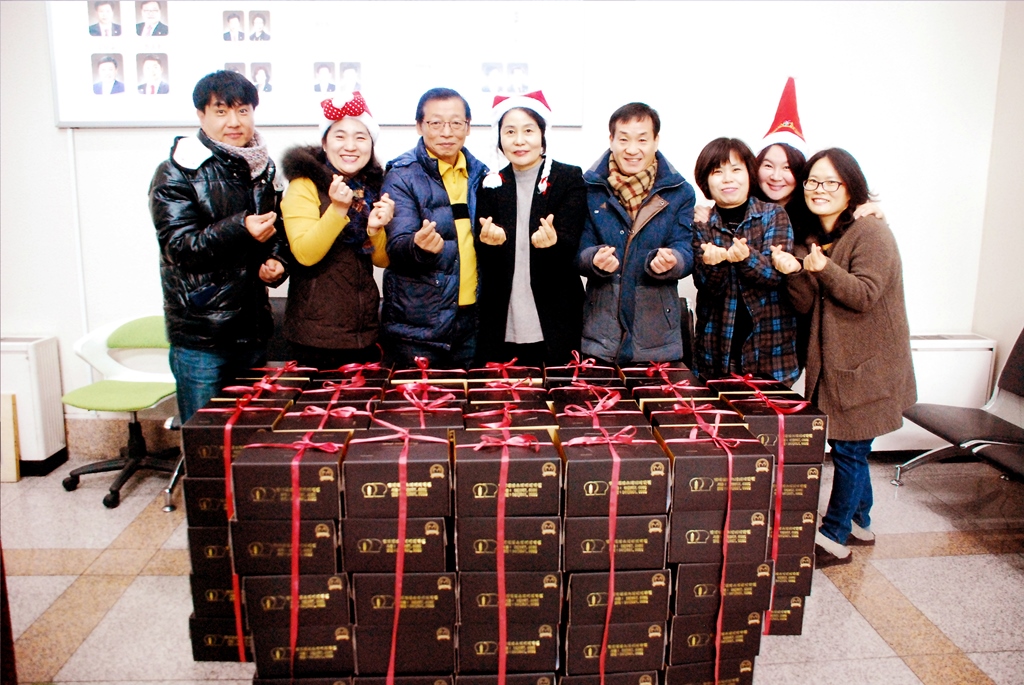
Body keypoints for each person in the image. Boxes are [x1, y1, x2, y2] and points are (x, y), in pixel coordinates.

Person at [770, 148, 915, 566]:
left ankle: (833, 536)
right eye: (813, 181)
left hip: (867, 367)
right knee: (852, 448)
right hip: (835, 366)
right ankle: (859, 522)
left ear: (851, 188)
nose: (820, 189)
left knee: (850, 451)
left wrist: (822, 269)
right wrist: (795, 272)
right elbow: (806, 304)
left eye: (831, 181)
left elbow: (864, 294)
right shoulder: (815, 237)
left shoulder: (871, 233)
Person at [149, 70, 289, 422]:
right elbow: (179, 247)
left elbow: (278, 230)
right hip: (202, 334)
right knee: (205, 437)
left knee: (252, 434)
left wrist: (276, 261)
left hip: (252, 328)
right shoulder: (177, 171)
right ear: (201, 115)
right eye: (221, 111)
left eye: (243, 111)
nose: (234, 121)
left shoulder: (264, 169)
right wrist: (240, 228)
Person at [279, 93, 394, 369]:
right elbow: (305, 253)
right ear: (324, 143)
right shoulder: (304, 184)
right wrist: (338, 209)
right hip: (314, 338)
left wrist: (375, 229)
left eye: (361, 137)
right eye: (340, 136)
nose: (350, 146)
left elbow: (382, 260)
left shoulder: (372, 188)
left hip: (364, 333)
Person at [576, 102, 695, 365]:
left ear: (656, 141)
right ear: (611, 140)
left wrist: (673, 260)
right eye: (623, 139)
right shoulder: (589, 188)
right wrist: (594, 259)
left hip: (657, 336)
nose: (632, 149)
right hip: (601, 334)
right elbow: (579, 251)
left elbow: (686, 250)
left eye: (642, 139)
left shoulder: (679, 192)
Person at [474, 91, 587, 367]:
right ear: (499, 138)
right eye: (510, 131)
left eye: (528, 130)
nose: (519, 140)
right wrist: (491, 243)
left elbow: (572, 244)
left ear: (542, 135)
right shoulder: (491, 183)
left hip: (555, 315)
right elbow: (483, 256)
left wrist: (553, 243)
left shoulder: (568, 178)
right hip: (503, 317)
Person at [380, 87, 488, 369]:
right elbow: (395, 247)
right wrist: (417, 246)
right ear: (420, 126)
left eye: (456, 123)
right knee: (417, 399)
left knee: (470, 396)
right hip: (419, 326)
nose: (446, 132)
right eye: (436, 123)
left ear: (468, 127)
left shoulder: (482, 175)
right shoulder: (402, 176)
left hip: (472, 321)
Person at [690, 137, 799, 384]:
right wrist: (714, 264)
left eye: (736, 170)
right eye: (717, 172)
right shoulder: (701, 223)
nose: (728, 179)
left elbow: (775, 276)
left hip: (771, 356)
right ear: (705, 181)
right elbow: (706, 286)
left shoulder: (774, 215)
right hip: (716, 355)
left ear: (749, 174)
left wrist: (746, 258)